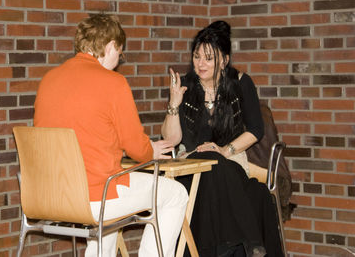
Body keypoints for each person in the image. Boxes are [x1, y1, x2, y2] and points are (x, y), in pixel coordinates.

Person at [34, 13, 188, 257]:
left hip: (49, 195)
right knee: (175, 194)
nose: (118, 60)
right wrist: (151, 150)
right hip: (96, 196)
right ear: (110, 46)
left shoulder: (48, 80)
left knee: (108, 214)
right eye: (120, 53)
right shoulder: (113, 82)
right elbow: (138, 150)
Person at [161, 20, 284, 257]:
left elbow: (256, 129)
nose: (201, 63)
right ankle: (248, 242)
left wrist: (225, 150)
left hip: (231, 161)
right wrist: (173, 105)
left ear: (224, 60)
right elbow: (171, 139)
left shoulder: (241, 83)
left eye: (208, 58)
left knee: (249, 189)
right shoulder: (184, 85)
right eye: (197, 57)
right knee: (213, 164)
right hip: (192, 164)